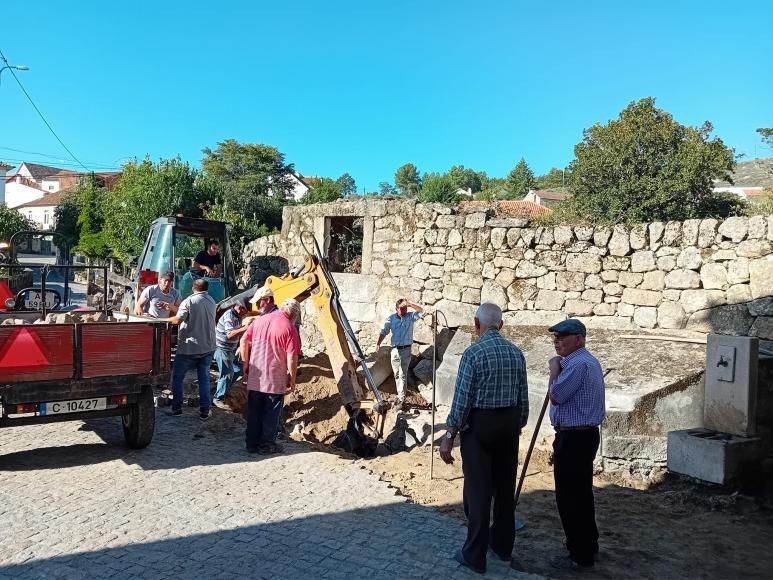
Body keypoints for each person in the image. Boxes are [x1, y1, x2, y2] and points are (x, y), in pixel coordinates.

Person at [439, 303, 529, 575]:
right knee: (504, 488)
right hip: (509, 426)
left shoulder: (473, 354)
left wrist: (449, 434)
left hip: (480, 427)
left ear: (476, 324)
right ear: (500, 326)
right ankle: (502, 546)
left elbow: (462, 399)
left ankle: (475, 555)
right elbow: (523, 399)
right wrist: (516, 425)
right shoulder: (517, 354)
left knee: (478, 492)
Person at [546, 319, 606, 572]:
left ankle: (579, 553)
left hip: (575, 439)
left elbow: (557, 395)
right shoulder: (585, 362)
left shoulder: (578, 364)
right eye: (555, 338)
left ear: (579, 339)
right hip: (580, 436)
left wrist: (553, 371)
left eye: (563, 337)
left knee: (570, 498)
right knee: (580, 495)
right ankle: (587, 547)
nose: (558, 342)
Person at [240, 297, 301, 454]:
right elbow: (292, 357)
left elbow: (244, 340)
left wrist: (246, 365)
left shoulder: (260, 320)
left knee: (254, 411)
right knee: (271, 413)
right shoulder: (290, 329)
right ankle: (266, 445)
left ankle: (251, 444)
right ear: (294, 314)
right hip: (275, 379)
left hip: (255, 376)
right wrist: (292, 379)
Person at [166, 278, 217, 419]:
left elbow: (177, 320)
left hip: (189, 348)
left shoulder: (188, 302)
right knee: (204, 380)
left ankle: (176, 408)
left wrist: (160, 320)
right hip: (208, 347)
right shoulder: (212, 301)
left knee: (177, 377)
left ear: (193, 287)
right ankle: (205, 411)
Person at [376, 298, 424, 407]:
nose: (404, 311)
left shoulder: (410, 317)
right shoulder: (391, 319)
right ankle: (400, 395)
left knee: (402, 374)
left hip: (406, 350)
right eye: (401, 309)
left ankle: (401, 398)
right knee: (397, 374)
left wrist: (410, 304)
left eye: (405, 308)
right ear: (396, 309)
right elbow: (384, 331)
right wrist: (378, 343)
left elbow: (421, 311)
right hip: (395, 350)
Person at [212, 297, 250, 409]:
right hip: (221, 349)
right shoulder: (229, 316)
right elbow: (229, 334)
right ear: (239, 307)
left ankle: (224, 389)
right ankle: (218, 398)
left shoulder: (238, 316)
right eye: (245, 310)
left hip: (230, 349)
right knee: (227, 373)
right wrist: (246, 328)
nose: (246, 313)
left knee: (238, 369)